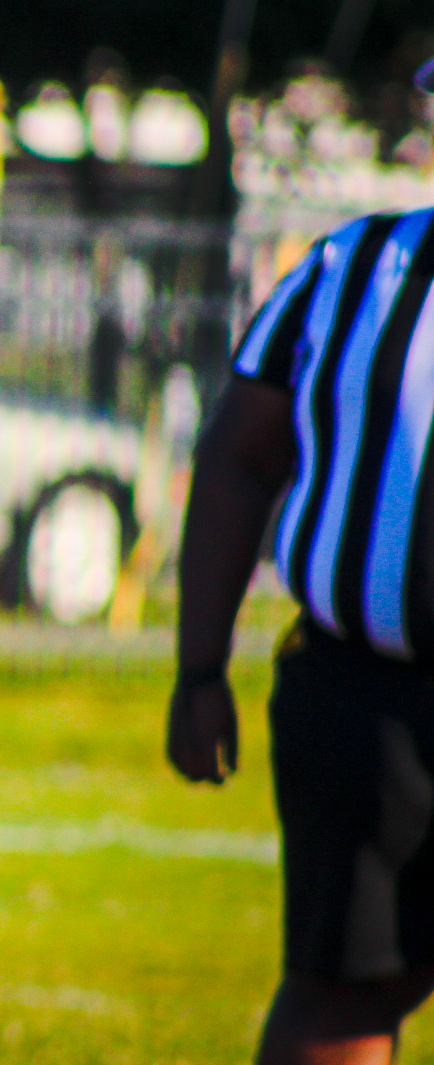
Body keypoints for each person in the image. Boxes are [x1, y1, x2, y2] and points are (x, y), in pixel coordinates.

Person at [169, 191, 434, 1064]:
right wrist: (200, 669)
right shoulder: (350, 266)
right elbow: (241, 455)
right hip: (367, 697)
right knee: (342, 991)